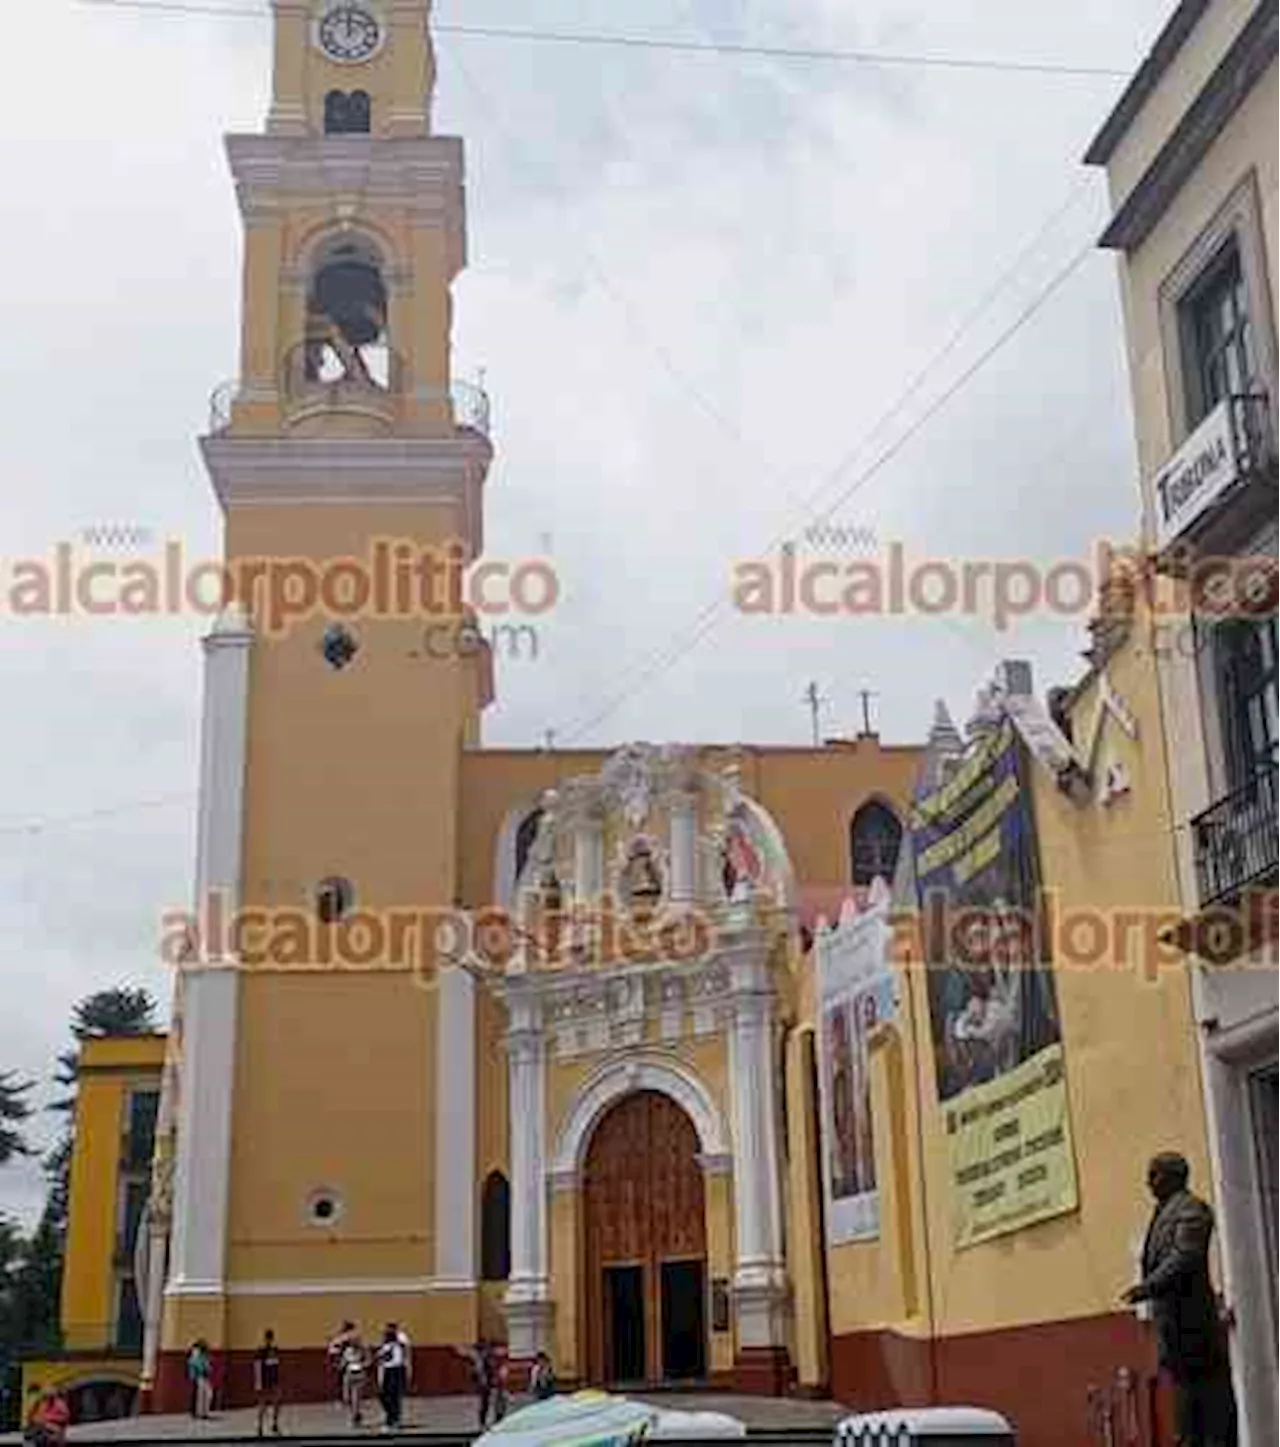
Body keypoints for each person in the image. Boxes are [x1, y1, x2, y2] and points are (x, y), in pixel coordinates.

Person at [1123, 1153, 1239, 1447]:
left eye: (1155, 1175)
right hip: (1175, 1335)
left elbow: (1185, 1257)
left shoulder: (1191, 1210)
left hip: (1195, 1331)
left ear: (1174, 1176)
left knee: (1213, 1417)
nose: (1148, 1182)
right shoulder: (1163, 1213)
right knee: (1188, 1421)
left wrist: (1146, 1287)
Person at [376, 1323, 408, 1432]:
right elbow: (380, 1357)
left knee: (395, 1396)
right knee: (383, 1395)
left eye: (388, 1331)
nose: (385, 1334)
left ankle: (393, 1420)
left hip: (397, 1370)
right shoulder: (386, 1345)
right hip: (387, 1371)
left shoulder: (399, 1341)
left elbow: (404, 1350)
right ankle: (391, 1416)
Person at [254, 1328, 283, 1437]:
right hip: (265, 1382)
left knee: (276, 1403)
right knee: (262, 1405)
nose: (269, 1340)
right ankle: (260, 1427)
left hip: (273, 1382)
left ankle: (274, 1424)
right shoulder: (261, 1351)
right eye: (268, 1338)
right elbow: (257, 1368)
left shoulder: (274, 1350)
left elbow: (276, 1368)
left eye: (270, 1338)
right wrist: (258, 1384)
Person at [338, 1331, 369, 1428]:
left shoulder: (363, 1350)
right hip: (348, 1374)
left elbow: (368, 1361)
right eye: (351, 1341)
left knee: (356, 1398)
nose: (353, 1342)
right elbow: (343, 1363)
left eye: (355, 1340)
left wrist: (361, 1365)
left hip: (359, 1374)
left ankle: (355, 1417)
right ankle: (355, 1414)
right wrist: (342, 1365)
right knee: (347, 1397)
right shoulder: (347, 1351)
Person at [472, 1340, 495, 1430]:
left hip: (484, 1384)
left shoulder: (481, 1359)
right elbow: (480, 1372)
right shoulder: (481, 1359)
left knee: (485, 1403)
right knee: (484, 1403)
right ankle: (482, 1422)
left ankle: (483, 1422)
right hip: (484, 1384)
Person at [187, 1340, 213, 1419]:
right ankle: (200, 1413)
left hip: (204, 1377)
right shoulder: (196, 1356)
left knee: (207, 1394)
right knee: (201, 1395)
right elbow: (195, 1365)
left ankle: (203, 1412)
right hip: (199, 1376)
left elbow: (207, 1366)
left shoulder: (203, 1356)